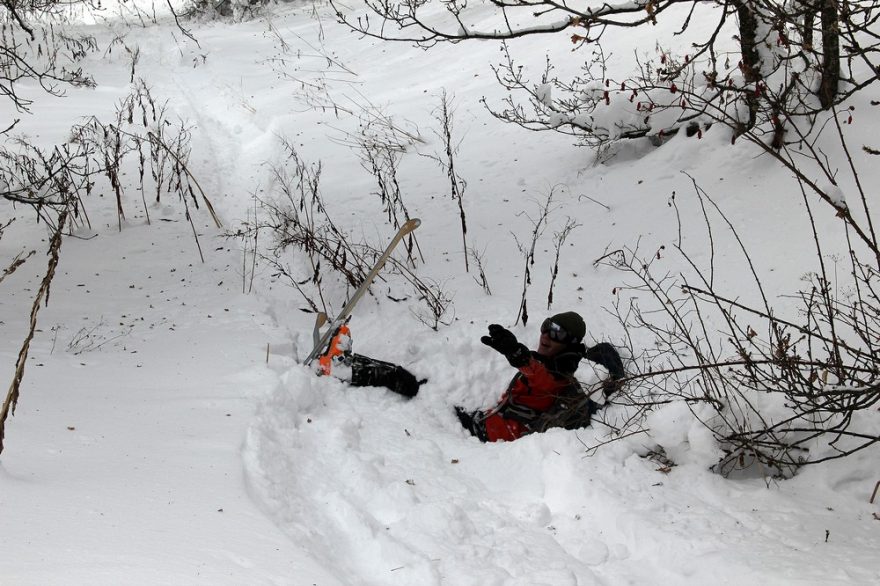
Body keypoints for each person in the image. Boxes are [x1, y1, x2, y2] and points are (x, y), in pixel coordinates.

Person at [456, 311, 623, 442]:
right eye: (546, 327)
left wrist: (518, 355)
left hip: (499, 437)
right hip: (498, 426)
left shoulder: (560, 373)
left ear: (570, 343)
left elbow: (541, 377)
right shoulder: (562, 363)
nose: (546, 336)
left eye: (557, 333)